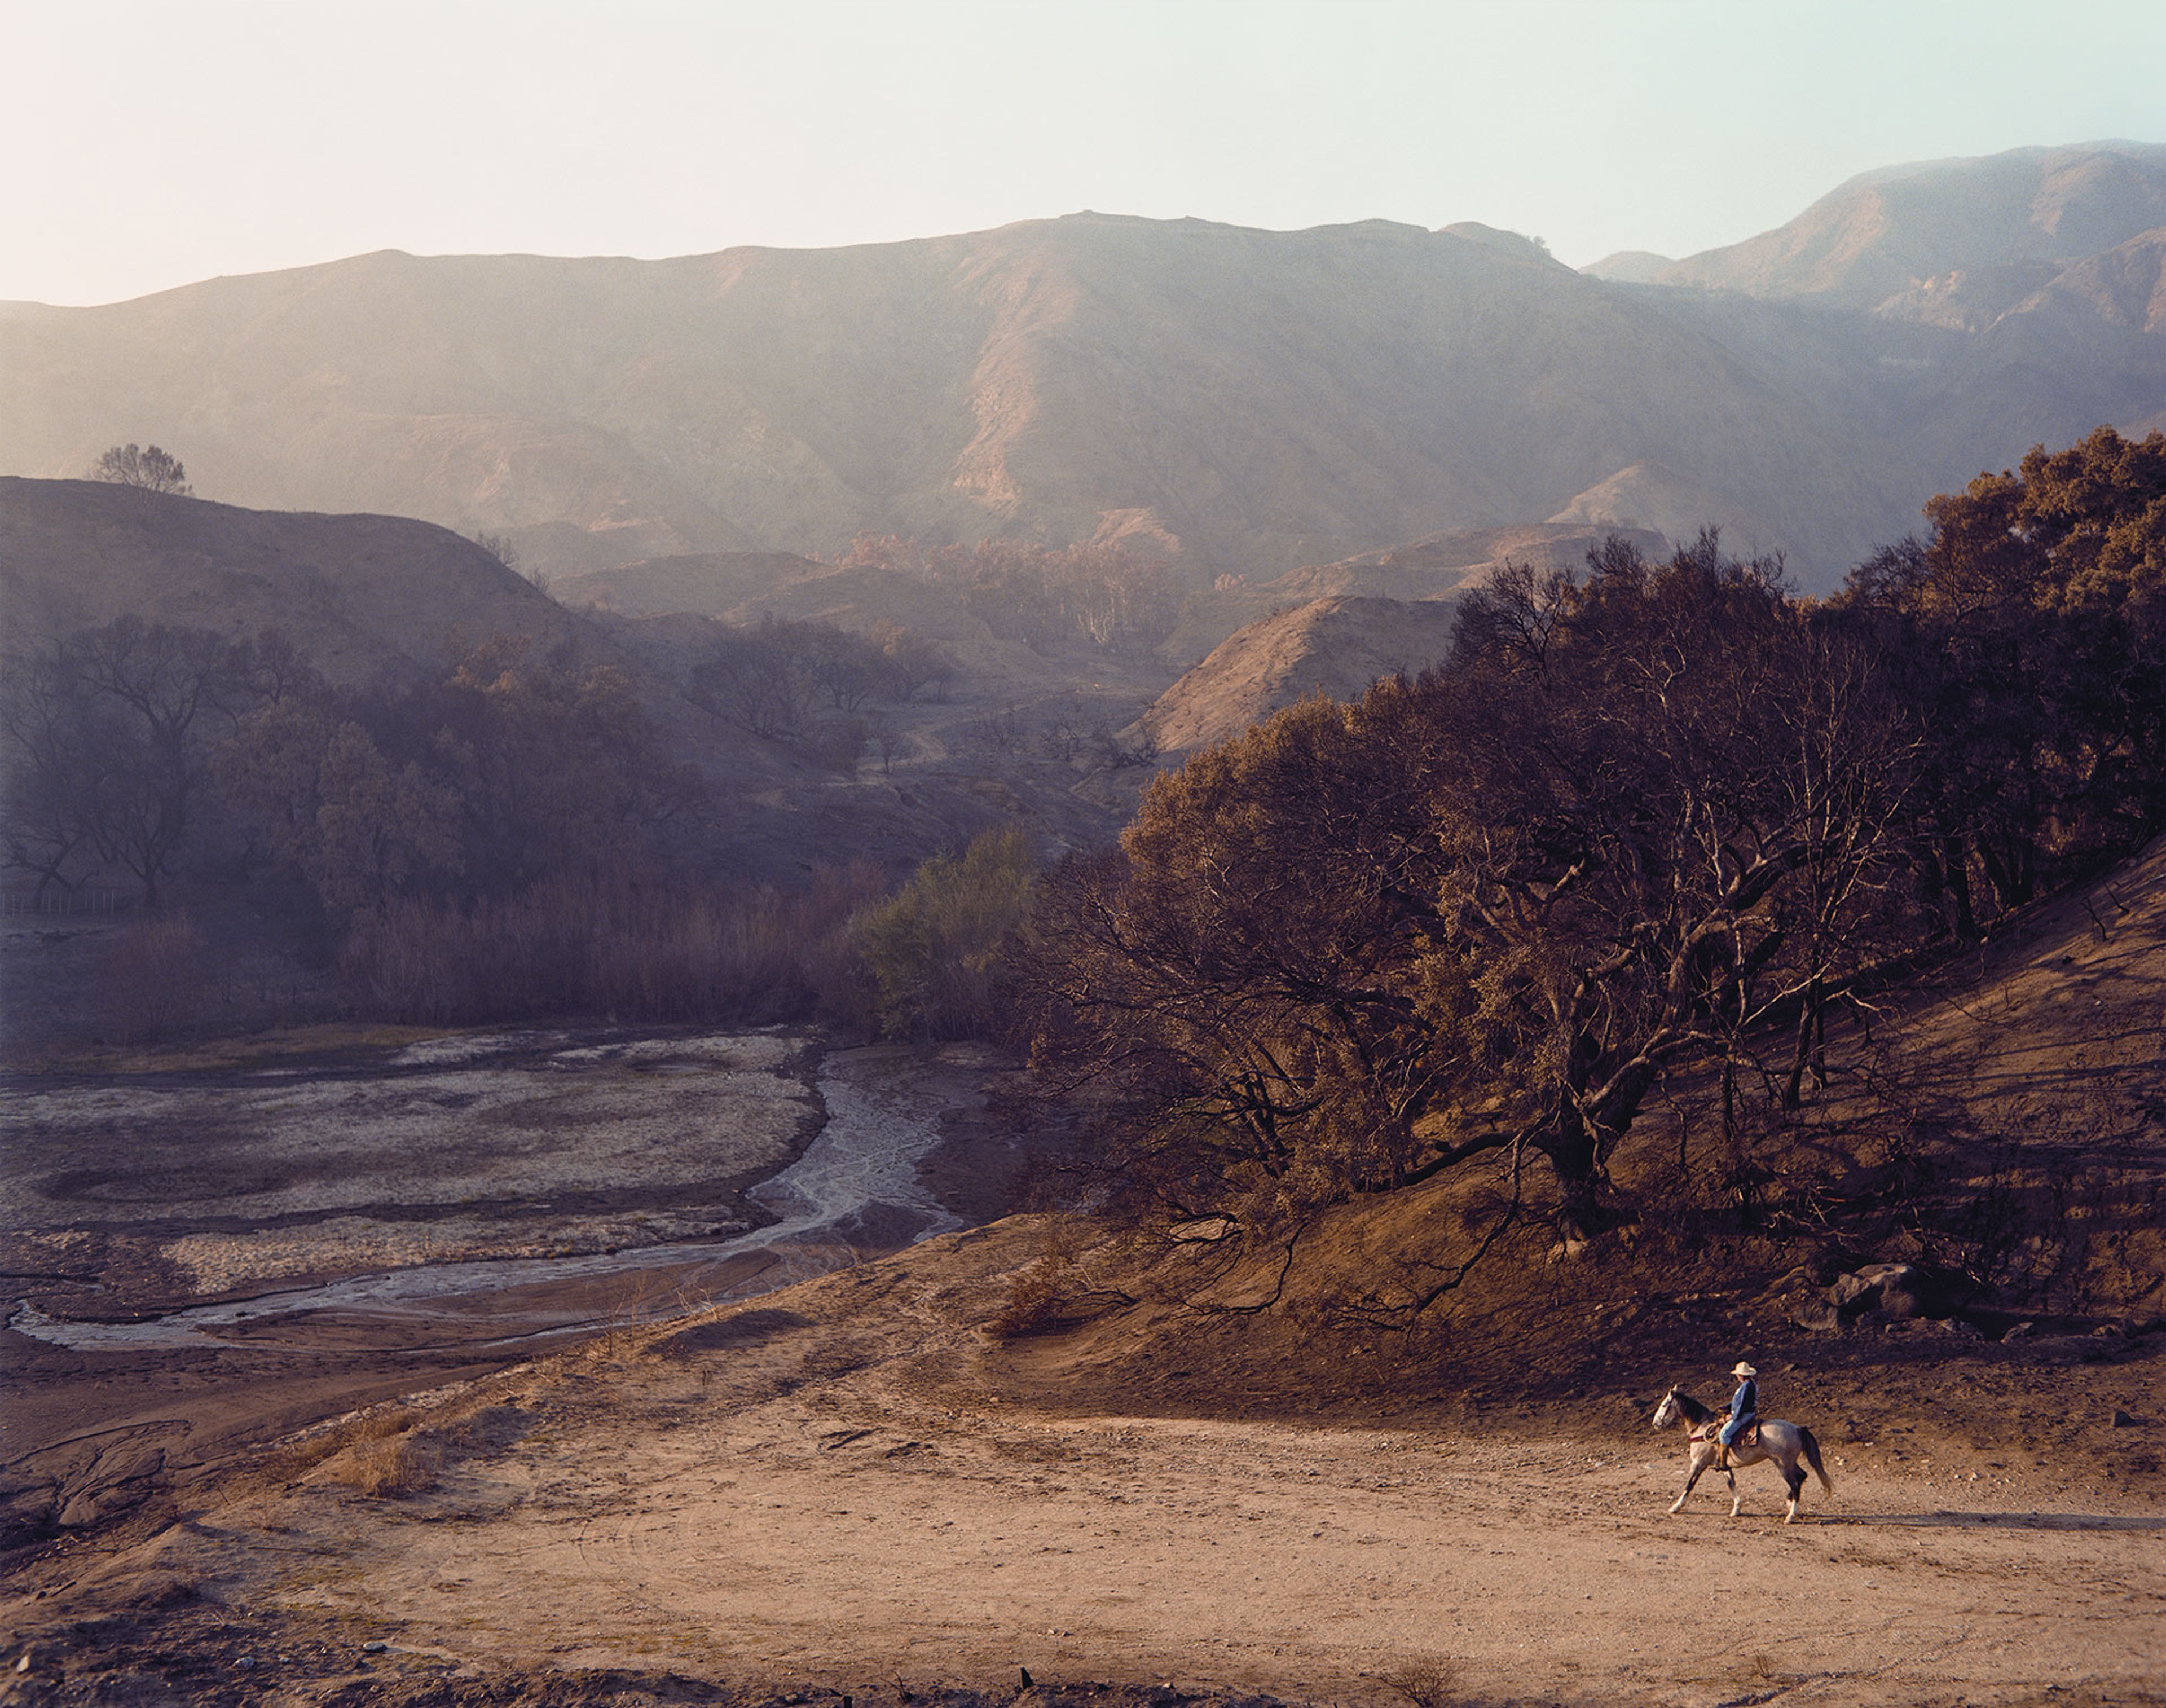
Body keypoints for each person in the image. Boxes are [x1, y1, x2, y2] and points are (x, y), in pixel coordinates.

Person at [1716, 1361, 1758, 1469]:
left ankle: (1723, 1463)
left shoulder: (1746, 1386)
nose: (1737, 1377)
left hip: (1744, 1414)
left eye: (1738, 1375)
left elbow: (1743, 1404)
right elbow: (1739, 1402)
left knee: (1724, 1434)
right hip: (1747, 1412)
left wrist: (1733, 1416)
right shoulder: (1749, 1384)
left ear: (1741, 1376)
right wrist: (1728, 1407)